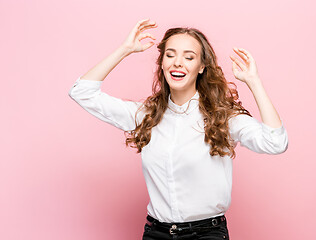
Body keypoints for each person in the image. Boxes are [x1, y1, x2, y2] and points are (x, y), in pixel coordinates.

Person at [68, 18, 288, 240]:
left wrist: (254, 82)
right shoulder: (146, 115)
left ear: (202, 67)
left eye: (189, 57)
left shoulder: (222, 117)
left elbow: (276, 143)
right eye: (170, 55)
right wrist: (124, 50)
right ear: (162, 63)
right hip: (156, 233)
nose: (178, 63)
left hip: (207, 234)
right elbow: (81, 92)